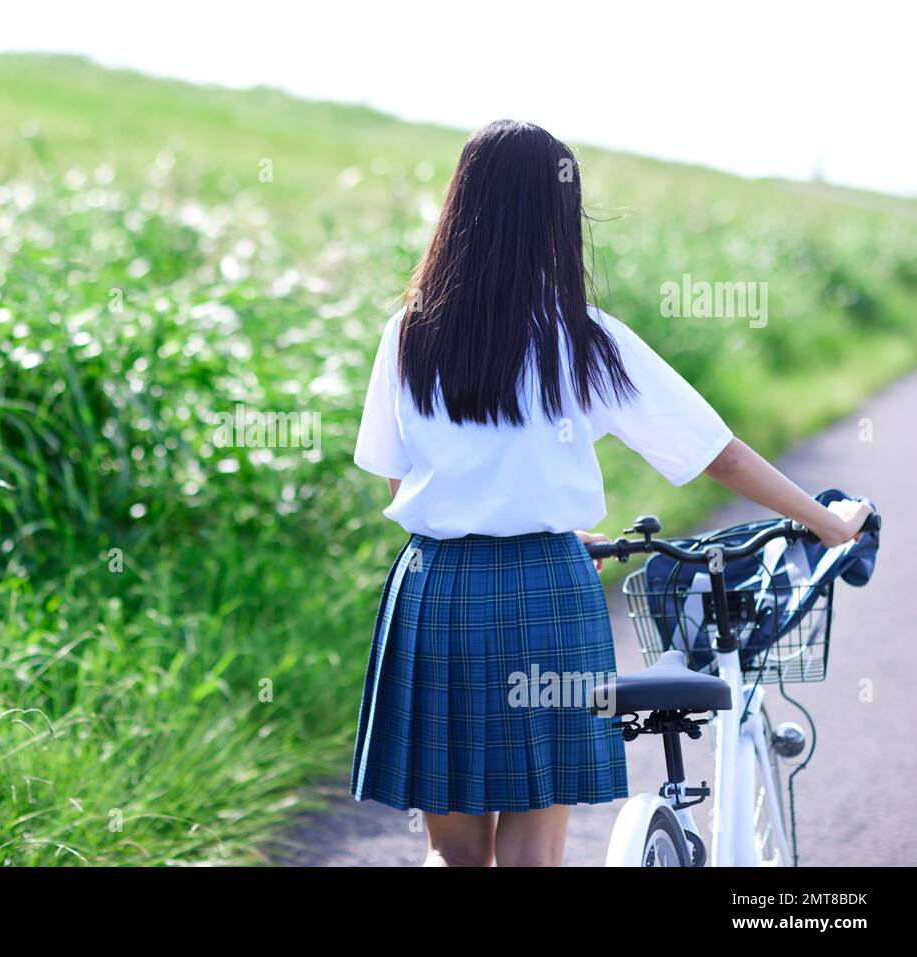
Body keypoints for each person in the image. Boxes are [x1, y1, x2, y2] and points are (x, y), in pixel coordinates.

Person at [348, 119, 873, 867]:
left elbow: (405, 481)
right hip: (545, 593)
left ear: (459, 208)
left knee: (455, 852)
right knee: (536, 844)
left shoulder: (409, 334)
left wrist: (498, 516)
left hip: (436, 590)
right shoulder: (584, 339)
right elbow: (714, 451)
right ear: (557, 218)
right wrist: (826, 521)